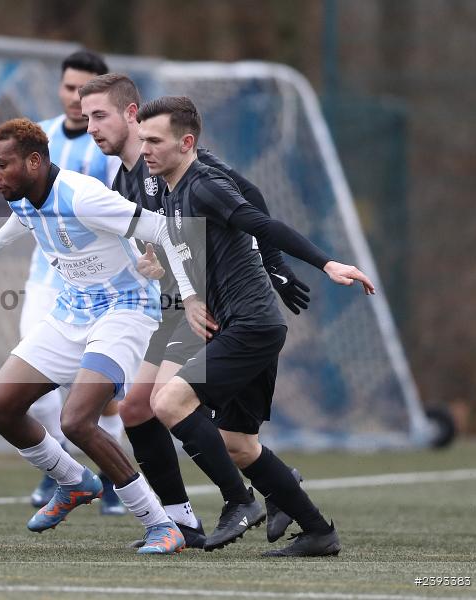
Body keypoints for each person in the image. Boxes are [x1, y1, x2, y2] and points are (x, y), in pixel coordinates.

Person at [135, 96, 375, 557]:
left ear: (186, 143)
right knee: (239, 445)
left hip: (253, 324)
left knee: (167, 401)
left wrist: (325, 264)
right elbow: (185, 249)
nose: (144, 148)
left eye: (154, 140)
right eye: (142, 139)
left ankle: (240, 502)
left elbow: (261, 223)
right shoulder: (171, 190)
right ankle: (317, 532)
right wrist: (182, 290)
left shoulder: (204, 184)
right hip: (241, 326)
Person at [78, 73, 309, 549]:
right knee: (138, 410)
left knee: (165, 405)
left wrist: (276, 265)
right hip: (175, 303)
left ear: (130, 114)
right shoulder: (125, 180)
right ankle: (191, 516)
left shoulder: (183, 161)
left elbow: (250, 202)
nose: (92, 127)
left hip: (205, 304)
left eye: (99, 116)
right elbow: (167, 240)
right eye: (85, 119)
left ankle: (241, 498)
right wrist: (151, 261)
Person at [0, 118, 194, 554]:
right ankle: (73, 482)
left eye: (2, 165)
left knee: (76, 420)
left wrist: (181, 286)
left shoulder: (84, 197)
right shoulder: (23, 194)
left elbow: (163, 229)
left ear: (34, 162)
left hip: (125, 311)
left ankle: (161, 525)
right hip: (72, 310)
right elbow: (23, 219)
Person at [21, 50, 126, 515]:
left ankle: (111, 476)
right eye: (69, 88)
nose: (74, 99)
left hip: (101, 288)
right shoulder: (37, 139)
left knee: (100, 396)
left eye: (85, 92)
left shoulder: (108, 149)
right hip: (46, 281)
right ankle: (65, 472)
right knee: (32, 387)